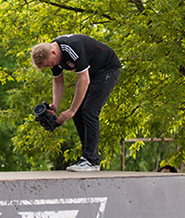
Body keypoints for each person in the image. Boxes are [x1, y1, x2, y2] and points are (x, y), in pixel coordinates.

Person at [30, 34, 121, 171]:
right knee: (78, 112)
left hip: (107, 69)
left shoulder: (71, 47)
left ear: (53, 52)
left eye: (51, 64)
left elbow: (84, 80)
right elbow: (58, 81)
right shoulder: (53, 56)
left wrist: (71, 110)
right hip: (93, 73)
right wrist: (55, 105)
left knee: (89, 111)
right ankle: (88, 158)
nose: (52, 66)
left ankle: (91, 161)